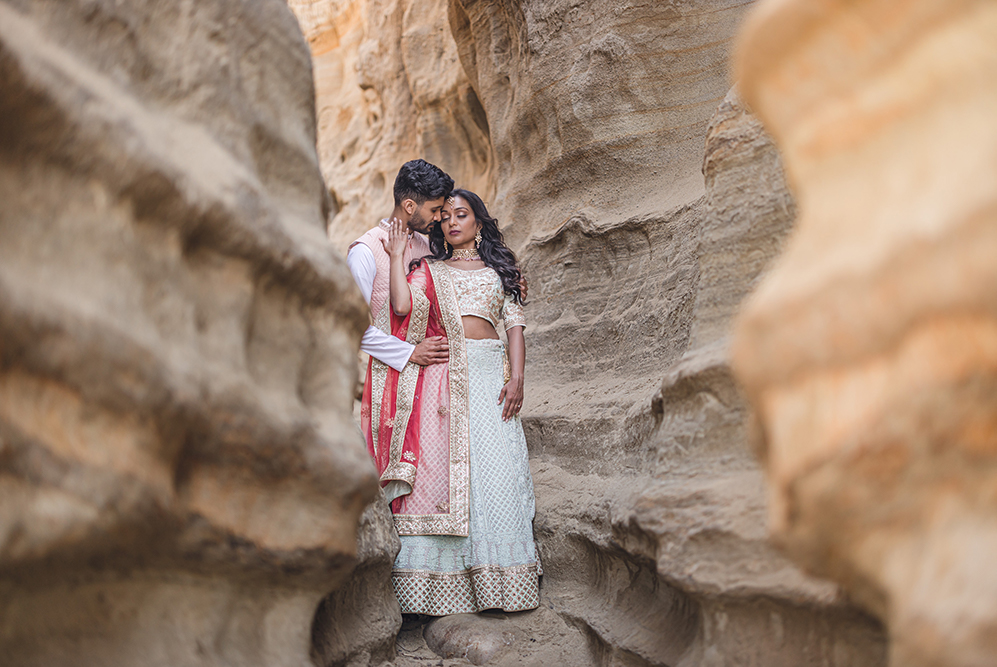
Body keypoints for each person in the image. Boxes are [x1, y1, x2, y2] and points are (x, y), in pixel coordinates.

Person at [372, 189, 541, 615]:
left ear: (478, 223)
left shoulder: (502, 271)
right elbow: (401, 306)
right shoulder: (430, 270)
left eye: (461, 214)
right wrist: (395, 257)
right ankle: (436, 590)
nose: (451, 222)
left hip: (490, 376)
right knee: (444, 476)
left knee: (496, 472)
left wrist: (516, 377)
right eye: (444, 215)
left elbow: (514, 326)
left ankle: (502, 582)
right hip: (444, 381)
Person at [347, 159, 454, 380]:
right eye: (434, 209)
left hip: (435, 378)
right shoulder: (365, 250)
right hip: (390, 379)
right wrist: (410, 353)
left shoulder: (429, 247)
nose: (437, 217)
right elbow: (352, 325)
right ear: (409, 206)